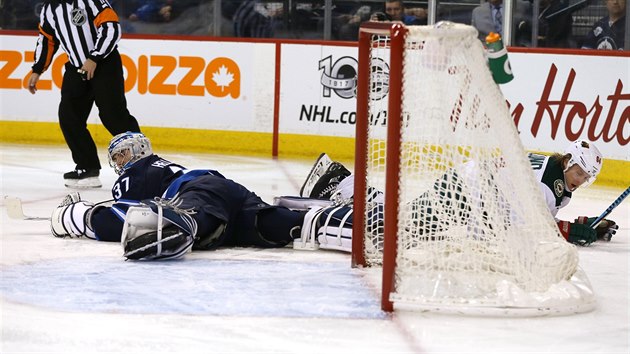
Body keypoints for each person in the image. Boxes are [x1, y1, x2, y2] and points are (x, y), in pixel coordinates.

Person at [49, 132, 328, 261]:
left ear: (137, 151)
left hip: (197, 197)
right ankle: (331, 218)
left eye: (122, 154)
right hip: (225, 198)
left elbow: (123, 218)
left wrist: (81, 216)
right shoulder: (158, 165)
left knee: (184, 219)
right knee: (273, 224)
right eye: (116, 157)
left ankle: (183, 224)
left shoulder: (137, 172)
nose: (120, 162)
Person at [291, 140, 619, 249]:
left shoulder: (554, 172)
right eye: (579, 173)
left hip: (471, 188)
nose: (581, 180)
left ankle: (342, 182)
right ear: (568, 162)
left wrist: (582, 223)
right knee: (398, 228)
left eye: (587, 178)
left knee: (405, 221)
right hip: (466, 191)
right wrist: (571, 232)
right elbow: (527, 231)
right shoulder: (550, 186)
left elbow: (535, 217)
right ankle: (333, 191)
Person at [27, 0, 142, 189]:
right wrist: (37, 69)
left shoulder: (91, 1)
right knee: (69, 116)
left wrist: (94, 57)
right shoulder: (49, 9)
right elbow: (47, 39)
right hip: (76, 68)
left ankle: (142, 165)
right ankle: (87, 167)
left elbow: (111, 28)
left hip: (104, 64)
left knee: (113, 116)